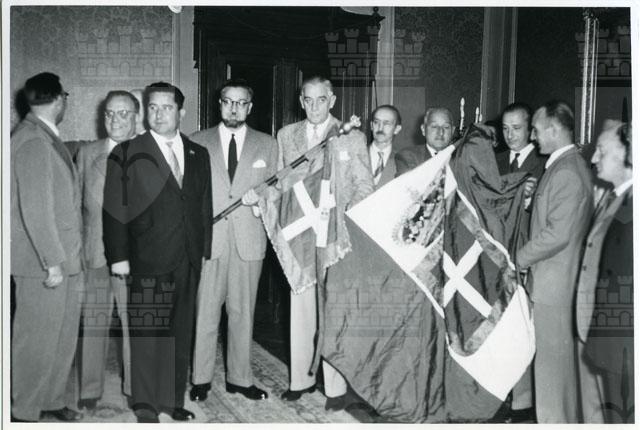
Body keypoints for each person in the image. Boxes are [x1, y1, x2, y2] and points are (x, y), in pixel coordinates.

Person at [102, 82, 213, 423]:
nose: (158, 114)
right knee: (148, 333)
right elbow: (114, 211)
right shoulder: (127, 152)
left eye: (166, 107)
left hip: (187, 257)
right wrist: (119, 257)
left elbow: (203, 205)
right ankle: (146, 404)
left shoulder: (198, 153)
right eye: (152, 107)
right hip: (146, 257)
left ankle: (171, 399)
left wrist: (203, 250)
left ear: (181, 112)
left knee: (179, 332)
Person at [276, 76, 374, 410]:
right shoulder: (287, 135)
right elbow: (280, 182)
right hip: (301, 233)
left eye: (321, 100)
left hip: (336, 236)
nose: (314, 106)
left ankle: (335, 387)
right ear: (301, 101)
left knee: (334, 311)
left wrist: (346, 221)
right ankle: (300, 380)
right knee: (301, 307)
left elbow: (364, 187)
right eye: (308, 100)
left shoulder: (351, 136)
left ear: (332, 100)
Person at [189, 79, 276, 402]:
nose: (234, 108)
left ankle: (239, 379)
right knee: (205, 313)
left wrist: (262, 198)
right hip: (209, 241)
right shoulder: (197, 141)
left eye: (241, 103)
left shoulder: (267, 144)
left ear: (249, 107)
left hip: (248, 241)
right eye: (228, 102)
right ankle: (200, 379)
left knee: (242, 313)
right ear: (220, 104)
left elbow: (277, 188)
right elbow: (189, 193)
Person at [11, 72, 83, 422]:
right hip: (43, 262)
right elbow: (36, 209)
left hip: (62, 258)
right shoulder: (32, 141)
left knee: (61, 335)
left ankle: (51, 400)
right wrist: (52, 262)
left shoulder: (42, 135)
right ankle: (24, 411)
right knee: (36, 340)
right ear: (59, 99)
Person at [515, 100, 593, 423]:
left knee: (553, 377)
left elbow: (557, 235)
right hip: (551, 285)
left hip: (554, 289)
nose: (532, 137)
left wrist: (517, 258)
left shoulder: (567, 172)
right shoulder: (563, 167)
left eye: (535, 130)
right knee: (553, 375)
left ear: (553, 129)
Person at [76, 90, 138, 410]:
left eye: (123, 113)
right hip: (96, 251)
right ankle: (90, 389)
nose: (115, 120)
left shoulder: (149, 154)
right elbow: (75, 204)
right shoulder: (87, 153)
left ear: (136, 118)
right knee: (94, 322)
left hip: (133, 257)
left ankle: (135, 387)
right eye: (110, 114)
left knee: (134, 325)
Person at [576, 121, 633, 423]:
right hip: (614, 340)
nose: (594, 157)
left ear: (628, 153)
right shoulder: (619, 197)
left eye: (601, 150)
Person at [493, 102, 547, 423]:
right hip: (496, 254)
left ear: (530, 129)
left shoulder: (544, 163)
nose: (510, 135)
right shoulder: (495, 160)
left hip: (527, 254)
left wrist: (530, 197)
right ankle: (501, 395)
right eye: (505, 129)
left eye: (517, 128)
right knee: (499, 327)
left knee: (523, 327)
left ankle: (522, 402)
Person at [395, 107, 454, 175]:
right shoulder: (409, 156)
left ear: (452, 131)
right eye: (434, 126)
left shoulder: (461, 158)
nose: (440, 132)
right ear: (423, 129)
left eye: (446, 127)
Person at [369, 104, 402, 188]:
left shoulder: (402, 160)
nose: (380, 128)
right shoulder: (356, 155)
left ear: (397, 129)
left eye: (386, 123)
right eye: (376, 122)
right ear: (371, 125)